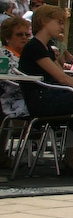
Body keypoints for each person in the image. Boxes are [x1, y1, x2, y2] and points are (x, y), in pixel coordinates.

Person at [18, 5, 73, 172]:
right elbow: (62, 78)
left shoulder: (47, 47)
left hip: (51, 95)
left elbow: (63, 77)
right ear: (43, 22)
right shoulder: (34, 47)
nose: (62, 27)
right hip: (42, 101)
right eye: (59, 22)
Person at [0, 17, 32, 164]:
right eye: (19, 34)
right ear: (7, 37)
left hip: (29, 95)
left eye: (27, 34)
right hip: (11, 97)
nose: (24, 37)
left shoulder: (28, 55)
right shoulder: (3, 55)